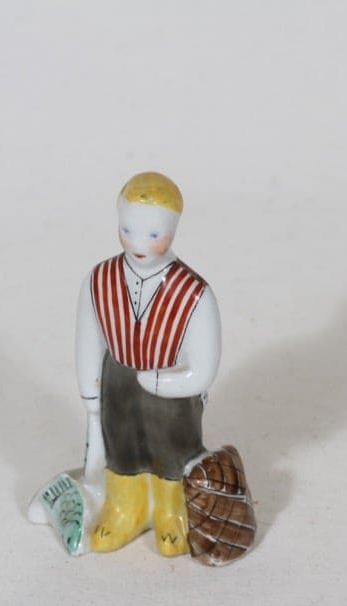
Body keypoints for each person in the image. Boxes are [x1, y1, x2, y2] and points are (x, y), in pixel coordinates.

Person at [76, 171, 221, 556]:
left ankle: (171, 512)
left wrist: (168, 384)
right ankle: (125, 507)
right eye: (128, 230)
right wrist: (90, 395)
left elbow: (205, 366)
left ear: (173, 229)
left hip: (171, 391)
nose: (139, 243)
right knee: (121, 447)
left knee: (171, 451)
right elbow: (89, 340)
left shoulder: (194, 293)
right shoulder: (99, 280)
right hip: (118, 381)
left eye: (153, 234)